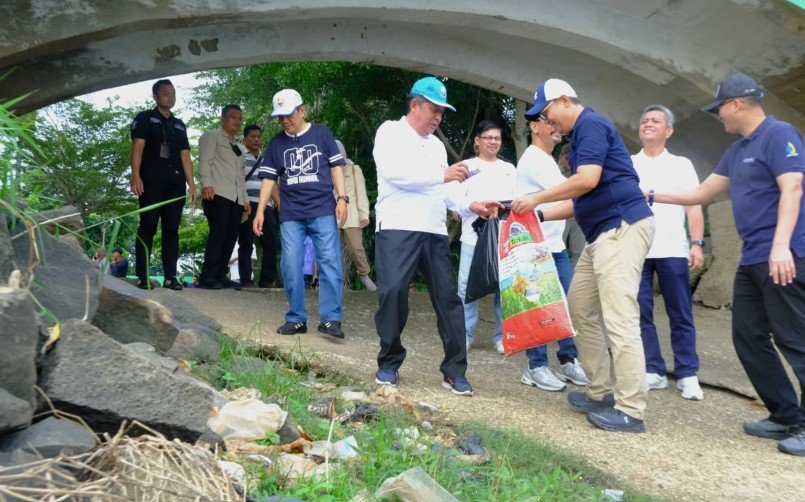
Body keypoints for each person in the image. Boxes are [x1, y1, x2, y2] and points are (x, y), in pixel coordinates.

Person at [654, 73, 805, 456]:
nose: (718, 116)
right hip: (752, 259)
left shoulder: (780, 134)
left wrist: (782, 246)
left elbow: (793, 187)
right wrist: (649, 193)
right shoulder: (736, 151)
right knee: (748, 336)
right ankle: (785, 414)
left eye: (720, 108)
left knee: (794, 340)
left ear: (737, 103)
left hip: (785, 256)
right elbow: (702, 192)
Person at [512, 78, 655, 433]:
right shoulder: (579, 141)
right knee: (578, 308)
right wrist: (536, 215)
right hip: (601, 234)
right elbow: (580, 201)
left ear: (564, 100)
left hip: (621, 228)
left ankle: (631, 409)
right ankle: (600, 392)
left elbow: (587, 180)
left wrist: (536, 199)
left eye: (547, 113)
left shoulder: (591, 123)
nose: (548, 123)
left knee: (620, 317)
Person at [371, 76, 498, 396]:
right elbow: (395, 174)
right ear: (415, 105)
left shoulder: (437, 145)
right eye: (434, 110)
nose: (438, 117)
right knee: (394, 292)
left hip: (434, 230)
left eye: (442, 112)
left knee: (448, 299)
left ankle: (454, 370)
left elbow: (447, 191)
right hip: (398, 226)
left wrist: (471, 204)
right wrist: (443, 175)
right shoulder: (390, 132)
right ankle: (389, 361)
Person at [253, 89, 348, 339]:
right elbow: (268, 179)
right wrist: (260, 211)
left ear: (302, 110)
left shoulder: (321, 133)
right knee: (291, 263)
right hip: (291, 213)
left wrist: (343, 198)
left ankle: (331, 320)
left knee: (329, 262)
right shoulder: (276, 144)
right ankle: (296, 318)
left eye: (289, 114)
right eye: (280, 117)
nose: (285, 120)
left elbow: (337, 168)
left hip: (322, 209)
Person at [632, 104, 705, 401]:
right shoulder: (627, 163)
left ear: (669, 130)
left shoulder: (681, 164)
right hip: (636, 248)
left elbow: (694, 205)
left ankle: (687, 373)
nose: (648, 124)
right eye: (644, 120)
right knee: (640, 311)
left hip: (672, 247)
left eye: (655, 121)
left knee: (680, 312)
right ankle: (654, 370)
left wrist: (697, 243)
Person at [514, 116, 589, 391]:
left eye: (559, 124)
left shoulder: (547, 160)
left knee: (567, 304)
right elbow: (569, 192)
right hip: (534, 250)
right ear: (534, 127)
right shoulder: (533, 158)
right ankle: (536, 367)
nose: (557, 128)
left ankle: (568, 360)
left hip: (555, 246)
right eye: (550, 123)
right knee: (539, 308)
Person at [449, 121, 514, 355]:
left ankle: (503, 335)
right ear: (477, 140)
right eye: (488, 137)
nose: (493, 142)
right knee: (466, 287)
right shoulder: (465, 167)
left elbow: (517, 201)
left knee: (503, 288)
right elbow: (454, 199)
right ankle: (464, 335)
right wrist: (466, 208)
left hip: (503, 235)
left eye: (497, 138)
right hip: (472, 235)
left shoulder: (509, 169)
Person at [130, 79, 196, 290]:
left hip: (175, 183)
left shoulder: (179, 124)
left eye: (173, 93)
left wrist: (192, 185)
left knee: (171, 230)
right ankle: (142, 275)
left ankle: (170, 277)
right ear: (155, 96)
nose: (170, 97)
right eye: (166, 93)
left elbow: (185, 156)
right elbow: (137, 148)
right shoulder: (145, 118)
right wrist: (135, 176)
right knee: (148, 226)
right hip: (151, 181)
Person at [198, 104, 250, 290]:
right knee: (218, 235)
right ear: (223, 119)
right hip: (217, 193)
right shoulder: (211, 136)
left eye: (239, 118)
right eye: (232, 117)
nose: (236, 121)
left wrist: (245, 200)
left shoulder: (239, 147)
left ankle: (220, 274)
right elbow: (205, 161)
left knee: (230, 237)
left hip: (235, 199)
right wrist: (206, 184)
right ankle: (207, 276)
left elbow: (241, 176)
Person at [239, 124, 280, 288]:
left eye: (258, 136)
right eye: (252, 136)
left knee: (271, 243)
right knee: (246, 243)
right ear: (245, 138)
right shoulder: (239, 155)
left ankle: (267, 280)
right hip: (247, 204)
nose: (256, 140)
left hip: (266, 207)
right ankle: (246, 280)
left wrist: (279, 203)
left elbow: (272, 183)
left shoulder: (267, 158)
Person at [335, 139, 377, 292]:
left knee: (355, 247)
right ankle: (333, 281)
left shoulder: (354, 169)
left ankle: (364, 275)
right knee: (329, 249)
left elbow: (361, 193)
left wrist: (364, 213)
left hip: (351, 213)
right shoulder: (326, 168)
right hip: (330, 213)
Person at [559, 144, 585, 270]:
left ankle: (574, 285)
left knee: (579, 252)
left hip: (578, 216)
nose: (568, 164)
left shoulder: (582, 171)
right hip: (559, 216)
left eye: (572, 160)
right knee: (558, 250)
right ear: (561, 157)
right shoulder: (554, 172)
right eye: (566, 160)